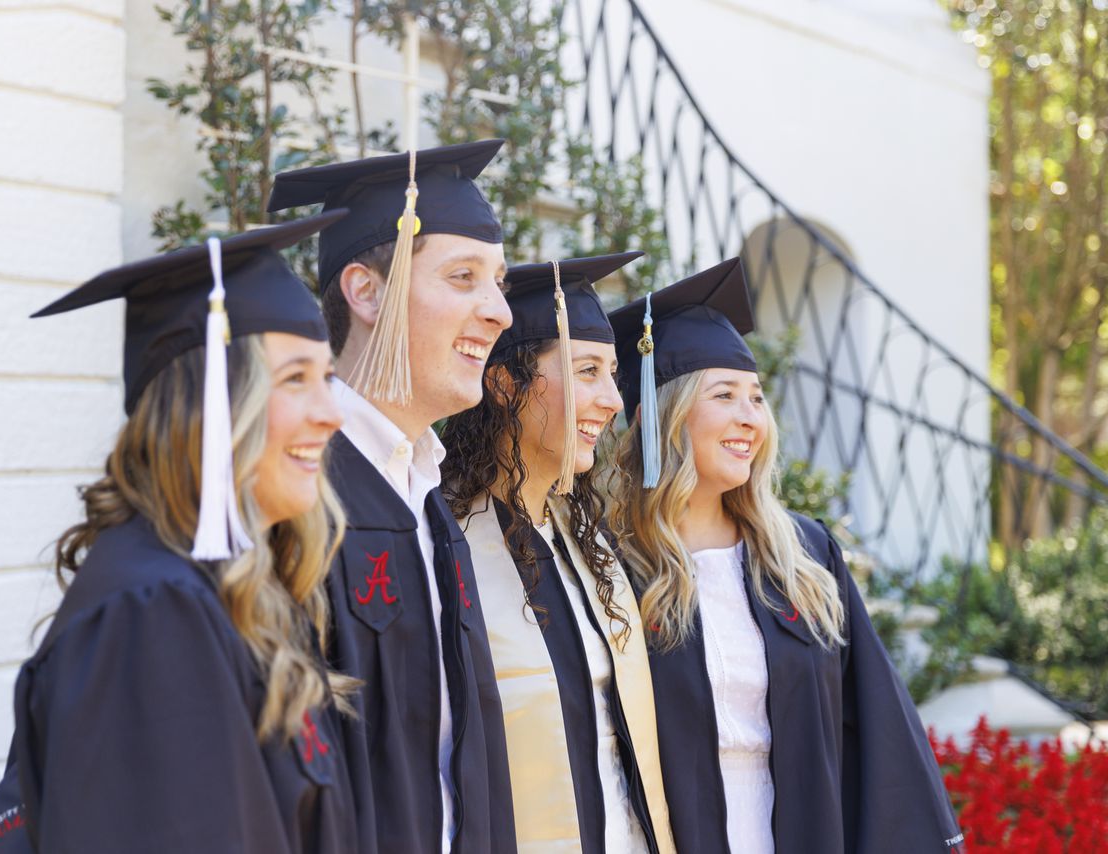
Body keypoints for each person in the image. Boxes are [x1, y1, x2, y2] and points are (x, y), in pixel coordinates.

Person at [0, 212, 369, 854]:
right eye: (295, 378)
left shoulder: (232, 593)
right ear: (210, 405)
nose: (330, 414)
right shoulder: (151, 613)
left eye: (327, 378)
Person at [605, 257, 965, 854]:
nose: (751, 418)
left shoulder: (801, 556)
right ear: (662, 418)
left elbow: (876, 725)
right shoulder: (613, 563)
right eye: (725, 396)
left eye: (757, 397)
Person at [266, 141, 517, 853]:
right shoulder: (294, 498)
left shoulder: (430, 501)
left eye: (498, 282)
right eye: (463, 277)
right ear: (366, 292)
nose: (499, 310)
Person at [441, 253, 676, 854]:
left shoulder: (587, 540)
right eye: (588, 370)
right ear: (504, 383)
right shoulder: (447, 542)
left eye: (612, 373)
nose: (613, 401)